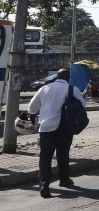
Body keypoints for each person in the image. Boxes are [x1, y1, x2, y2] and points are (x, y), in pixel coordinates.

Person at [28, 68, 86, 198]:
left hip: (46, 128)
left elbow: (32, 108)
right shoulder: (72, 89)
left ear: (56, 77)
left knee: (45, 156)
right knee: (63, 155)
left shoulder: (44, 89)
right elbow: (83, 104)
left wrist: (33, 119)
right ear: (68, 78)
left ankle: (44, 185)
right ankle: (64, 180)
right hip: (64, 129)